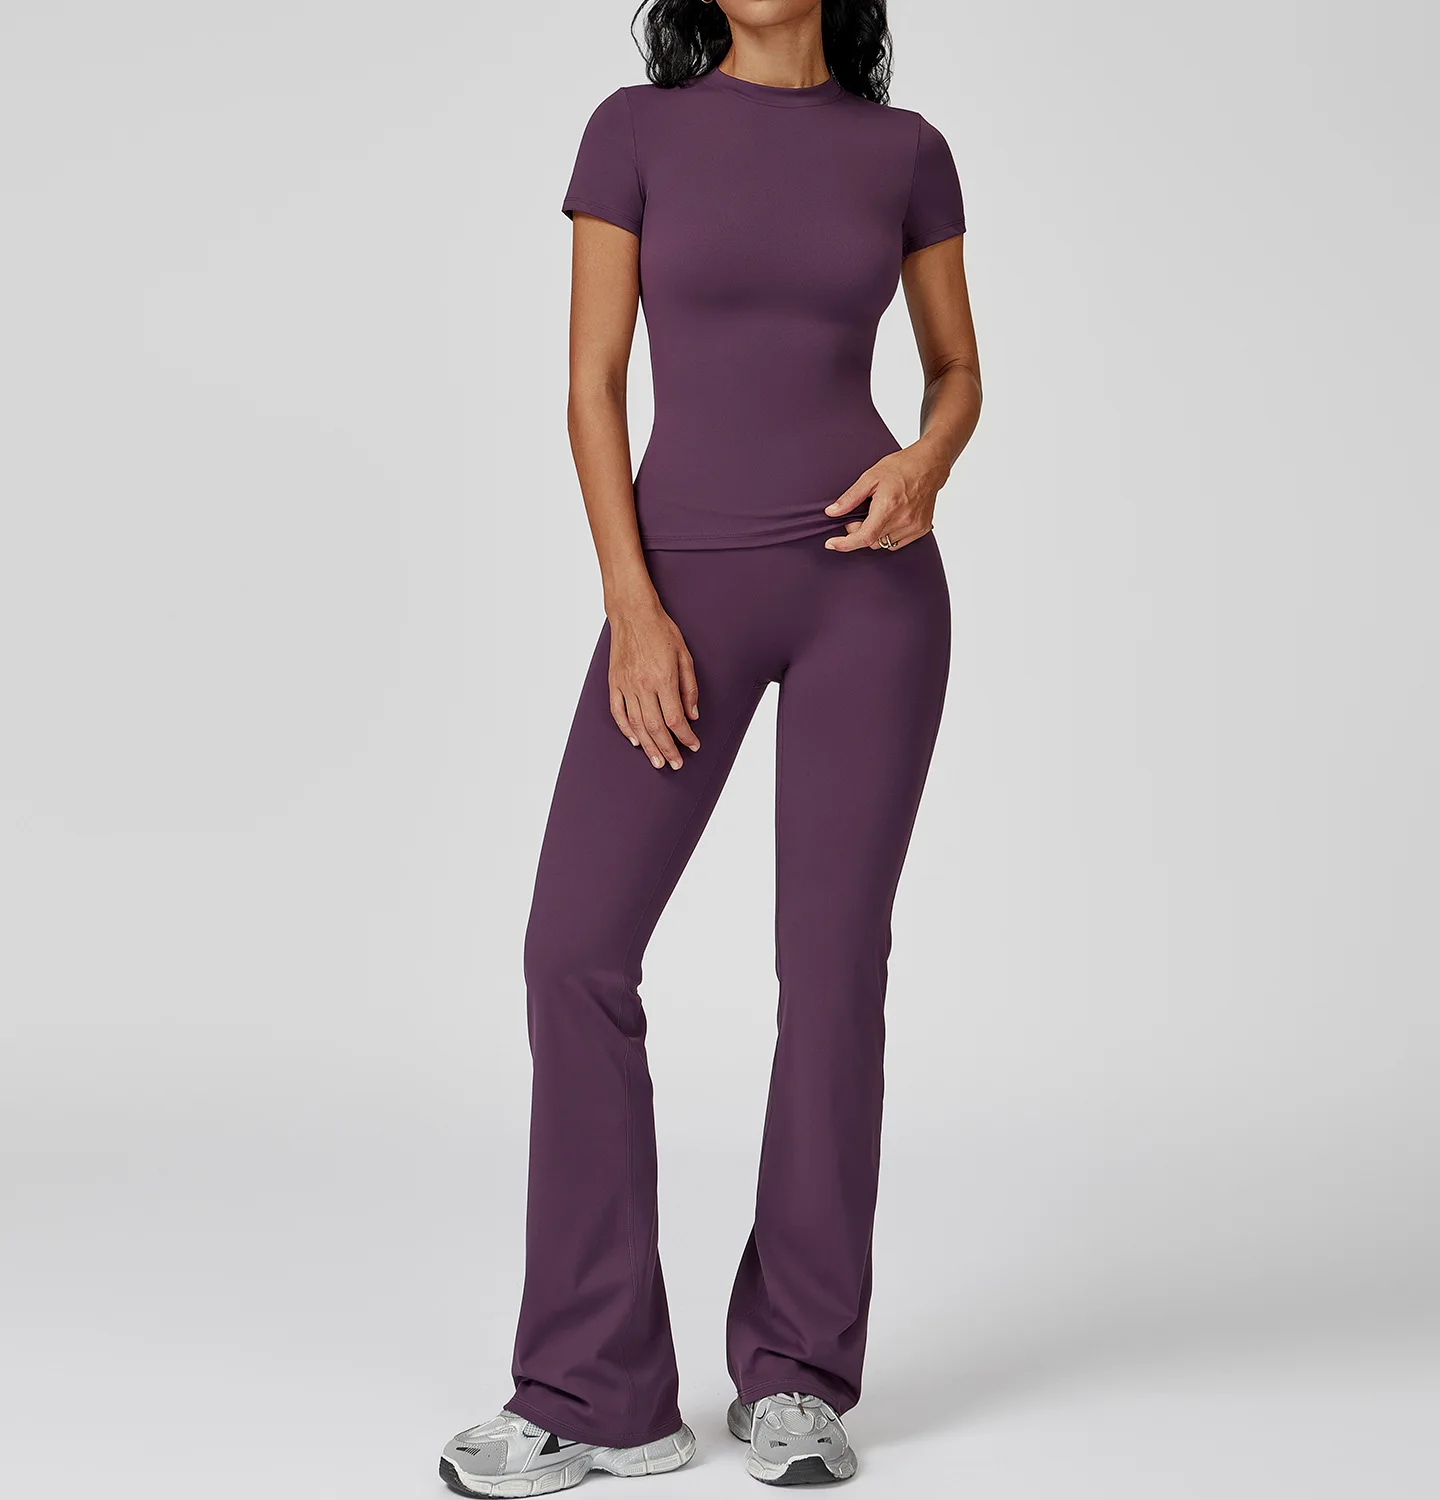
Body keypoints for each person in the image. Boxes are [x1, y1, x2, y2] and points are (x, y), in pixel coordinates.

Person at [439, 1, 980, 1491]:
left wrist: (928, 464)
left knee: (832, 968)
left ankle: (798, 1373)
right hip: (680, 593)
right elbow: (592, 386)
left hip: (872, 597)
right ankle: (596, 1386)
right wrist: (632, 604)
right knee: (575, 948)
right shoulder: (636, 133)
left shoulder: (905, 152)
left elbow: (956, 372)